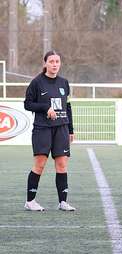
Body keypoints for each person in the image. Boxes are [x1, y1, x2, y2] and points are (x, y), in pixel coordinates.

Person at [24, 50, 76, 211]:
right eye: (51, 61)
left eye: (57, 62)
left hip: (61, 128)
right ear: (45, 63)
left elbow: (67, 106)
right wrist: (45, 107)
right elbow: (28, 104)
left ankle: (63, 202)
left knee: (62, 164)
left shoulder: (64, 83)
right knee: (40, 164)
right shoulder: (37, 82)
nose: (54, 64)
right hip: (42, 128)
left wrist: (71, 129)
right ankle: (30, 201)